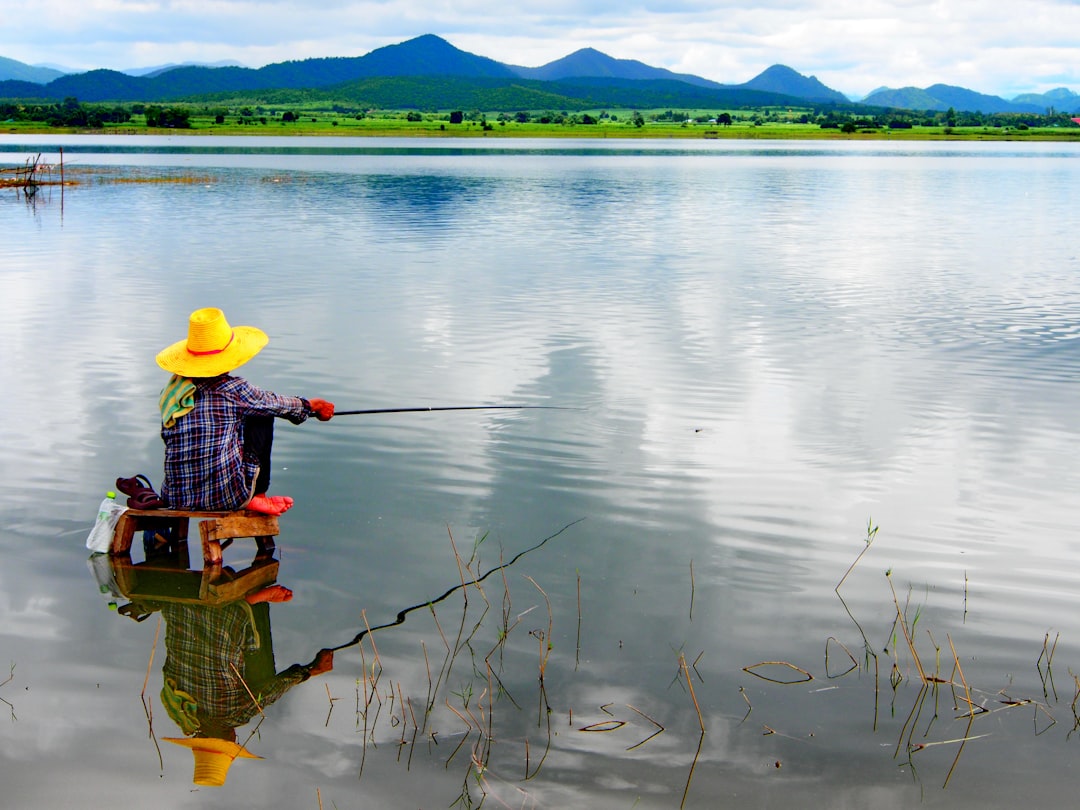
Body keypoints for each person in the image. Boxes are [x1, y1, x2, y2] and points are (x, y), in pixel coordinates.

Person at [155, 307, 334, 516]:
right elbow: (273, 403)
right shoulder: (234, 389)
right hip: (223, 497)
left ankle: (251, 495)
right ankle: (257, 496)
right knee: (263, 415)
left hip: (176, 496)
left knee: (248, 415)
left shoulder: (174, 394)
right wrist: (311, 406)